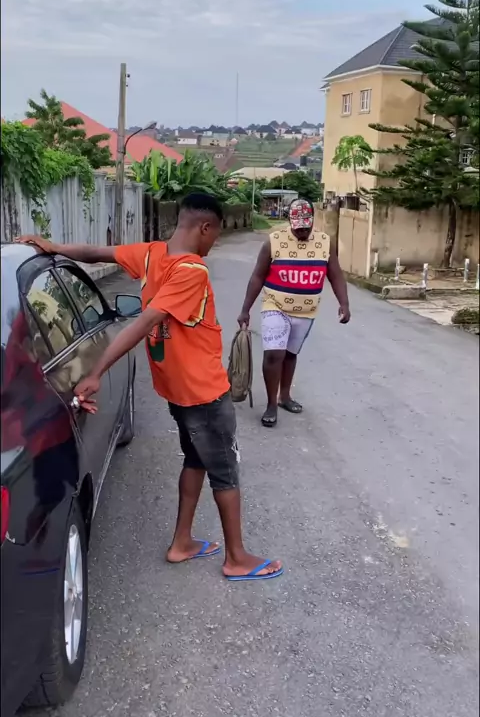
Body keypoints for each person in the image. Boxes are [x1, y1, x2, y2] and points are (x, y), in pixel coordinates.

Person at [17, 193, 282, 582]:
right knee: (225, 472)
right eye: (215, 234)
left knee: (195, 460)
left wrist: (55, 247)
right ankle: (237, 558)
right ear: (205, 227)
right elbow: (144, 322)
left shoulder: (151, 255)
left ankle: (182, 542)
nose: (213, 243)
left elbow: (96, 252)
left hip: (177, 391)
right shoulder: (192, 271)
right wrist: (97, 372)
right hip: (204, 392)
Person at [238, 197, 350, 427]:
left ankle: (284, 396)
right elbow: (257, 276)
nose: (302, 232)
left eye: (306, 228)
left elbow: (335, 274)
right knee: (274, 354)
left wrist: (344, 303)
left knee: (290, 354)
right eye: (298, 228)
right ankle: (271, 403)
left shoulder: (325, 243)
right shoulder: (273, 242)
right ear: (290, 222)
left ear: (312, 222)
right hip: (275, 306)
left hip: (306, 312)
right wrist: (245, 309)